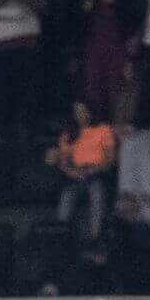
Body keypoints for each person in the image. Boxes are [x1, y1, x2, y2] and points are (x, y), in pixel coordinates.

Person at [50, 101, 117, 242]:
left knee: (96, 192)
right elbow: (63, 163)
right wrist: (73, 172)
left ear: (90, 112)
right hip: (75, 175)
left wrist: (95, 169)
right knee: (67, 195)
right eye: (77, 112)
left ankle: (95, 237)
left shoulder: (103, 130)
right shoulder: (68, 134)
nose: (79, 115)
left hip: (97, 173)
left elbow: (110, 159)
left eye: (82, 111)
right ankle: (61, 235)